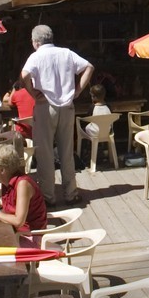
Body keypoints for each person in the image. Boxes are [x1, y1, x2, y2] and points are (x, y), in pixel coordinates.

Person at [21, 25, 93, 205]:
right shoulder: (66, 53)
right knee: (66, 151)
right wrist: (77, 91)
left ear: (35, 42)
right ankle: (71, 193)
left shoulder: (36, 56)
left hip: (46, 105)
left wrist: (33, 93)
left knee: (44, 152)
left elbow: (24, 75)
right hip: (67, 105)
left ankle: (48, 196)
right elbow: (89, 67)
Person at [0, 142, 47, 237]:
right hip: (14, 232)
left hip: (29, 237)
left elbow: (19, 221)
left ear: (2, 170)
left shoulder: (23, 184)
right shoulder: (7, 181)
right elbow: (13, 200)